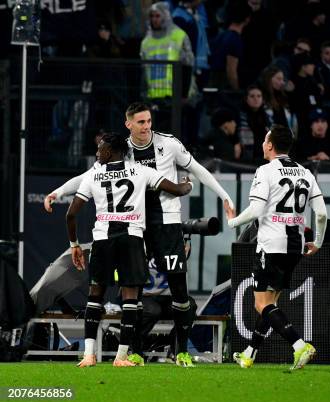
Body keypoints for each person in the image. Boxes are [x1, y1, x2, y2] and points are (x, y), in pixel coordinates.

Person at [44, 102, 234, 367]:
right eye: (141, 122)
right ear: (128, 124)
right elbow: (88, 175)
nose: (146, 127)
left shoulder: (169, 144)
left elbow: (198, 169)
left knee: (179, 290)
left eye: (148, 121)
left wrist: (224, 195)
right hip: (137, 226)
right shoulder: (122, 151)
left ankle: (180, 352)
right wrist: (59, 191)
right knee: (134, 289)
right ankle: (132, 351)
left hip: (167, 223)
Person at [65, 132, 192, 367]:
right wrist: (188, 184)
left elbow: (71, 214)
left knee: (95, 296)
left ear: (112, 151)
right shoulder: (140, 171)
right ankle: (121, 357)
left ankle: (88, 355)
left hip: (102, 239)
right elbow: (177, 190)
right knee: (131, 298)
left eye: (101, 148)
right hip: (132, 238)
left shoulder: (94, 173)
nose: (97, 152)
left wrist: (74, 245)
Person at [226, 125, 327, 370]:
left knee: (262, 304)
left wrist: (233, 220)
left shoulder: (266, 171)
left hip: (271, 245)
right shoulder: (305, 172)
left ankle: (300, 345)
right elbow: (321, 214)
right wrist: (319, 242)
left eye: (264, 139)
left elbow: (257, 210)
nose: (262, 144)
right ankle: (250, 353)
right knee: (270, 303)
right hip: (295, 246)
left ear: (270, 145)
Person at [208, 2, 251, 90]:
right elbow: (231, 71)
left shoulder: (220, 36)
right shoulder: (234, 40)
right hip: (223, 89)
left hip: (211, 83)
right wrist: (237, 91)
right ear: (247, 19)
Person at [238, 85, 270, 163]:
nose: (256, 99)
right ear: (246, 99)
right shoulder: (240, 116)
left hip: (265, 157)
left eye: (259, 96)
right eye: (252, 96)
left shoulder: (267, 116)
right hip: (247, 157)